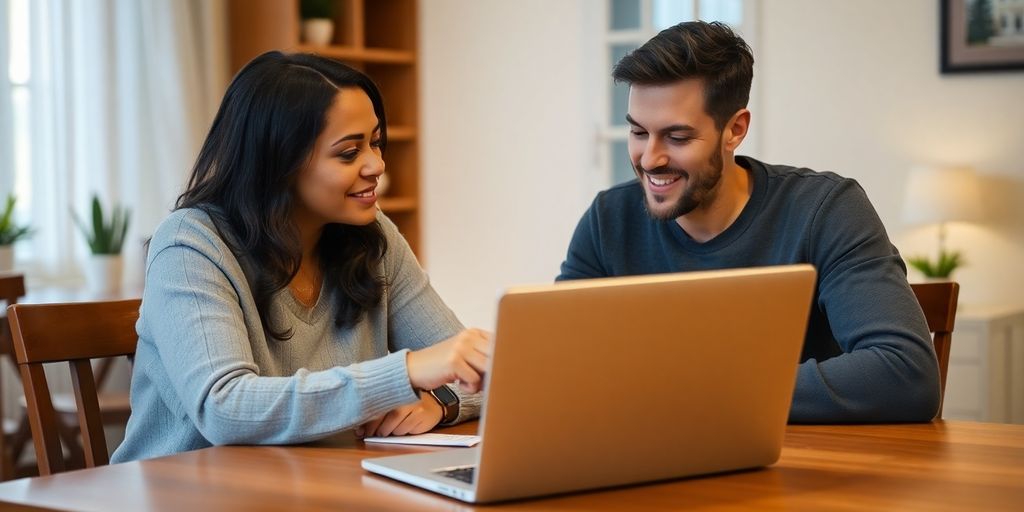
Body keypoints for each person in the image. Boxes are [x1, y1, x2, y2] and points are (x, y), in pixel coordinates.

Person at [112, 52, 490, 463]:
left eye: (376, 142)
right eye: (348, 153)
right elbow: (224, 408)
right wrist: (407, 373)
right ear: (279, 161)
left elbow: (480, 376)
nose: (376, 164)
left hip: (316, 486)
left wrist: (440, 402)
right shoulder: (191, 246)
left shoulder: (372, 235)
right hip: (185, 494)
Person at [557, 21, 940, 423]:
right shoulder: (607, 220)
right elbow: (559, 365)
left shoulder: (824, 209)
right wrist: (490, 364)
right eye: (638, 131)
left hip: (804, 472)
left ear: (735, 130)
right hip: (647, 465)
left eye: (677, 137)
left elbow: (906, 373)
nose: (650, 158)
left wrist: (693, 393)